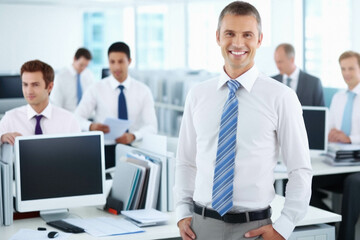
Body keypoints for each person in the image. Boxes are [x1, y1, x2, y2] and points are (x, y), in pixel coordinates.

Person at [174, 2, 312, 240]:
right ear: (218, 37)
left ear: (259, 40)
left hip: (254, 229)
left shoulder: (282, 97)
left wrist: (284, 226)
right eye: (230, 33)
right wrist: (182, 211)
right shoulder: (197, 94)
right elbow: (186, 160)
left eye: (247, 35)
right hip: (201, 227)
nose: (238, 43)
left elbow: (300, 169)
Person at [310, 51, 360, 240]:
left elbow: (348, 136)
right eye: (343, 69)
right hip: (338, 162)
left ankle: (345, 237)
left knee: (353, 183)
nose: (346, 73)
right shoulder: (339, 97)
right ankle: (330, 222)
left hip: (357, 166)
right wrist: (329, 133)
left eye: (351, 68)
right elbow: (330, 126)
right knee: (304, 181)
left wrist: (350, 138)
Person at [74, 42, 157, 145]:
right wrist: (91, 126)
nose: (116, 67)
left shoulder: (144, 91)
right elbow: (77, 118)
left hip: (134, 146)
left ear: (129, 61)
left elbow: (152, 126)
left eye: (121, 61)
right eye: (112, 62)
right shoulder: (95, 89)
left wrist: (134, 136)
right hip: (105, 148)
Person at [0, 60, 80, 145]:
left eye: (35, 85)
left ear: (49, 87)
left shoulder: (69, 120)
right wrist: (1, 138)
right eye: (25, 85)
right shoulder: (10, 118)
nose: (29, 91)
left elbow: (80, 154)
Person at [50, 47, 95, 112]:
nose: (83, 68)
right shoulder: (60, 77)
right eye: (81, 65)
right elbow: (56, 105)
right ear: (74, 59)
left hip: (85, 117)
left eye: (86, 66)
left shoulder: (88, 75)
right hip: (67, 116)